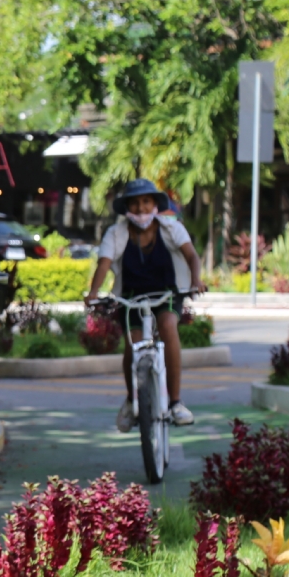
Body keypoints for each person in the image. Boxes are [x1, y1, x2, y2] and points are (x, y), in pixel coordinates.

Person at [86, 178, 205, 430]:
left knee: (169, 327)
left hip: (167, 293)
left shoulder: (171, 228)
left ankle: (175, 403)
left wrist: (196, 280)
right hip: (130, 296)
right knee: (132, 344)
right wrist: (94, 292)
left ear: (155, 205)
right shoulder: (116, 233)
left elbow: (192, 255)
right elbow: (104, 263)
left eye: (146, 201)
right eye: (135, 202)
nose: (141, 208)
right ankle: (132, 400)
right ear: (127, 207)